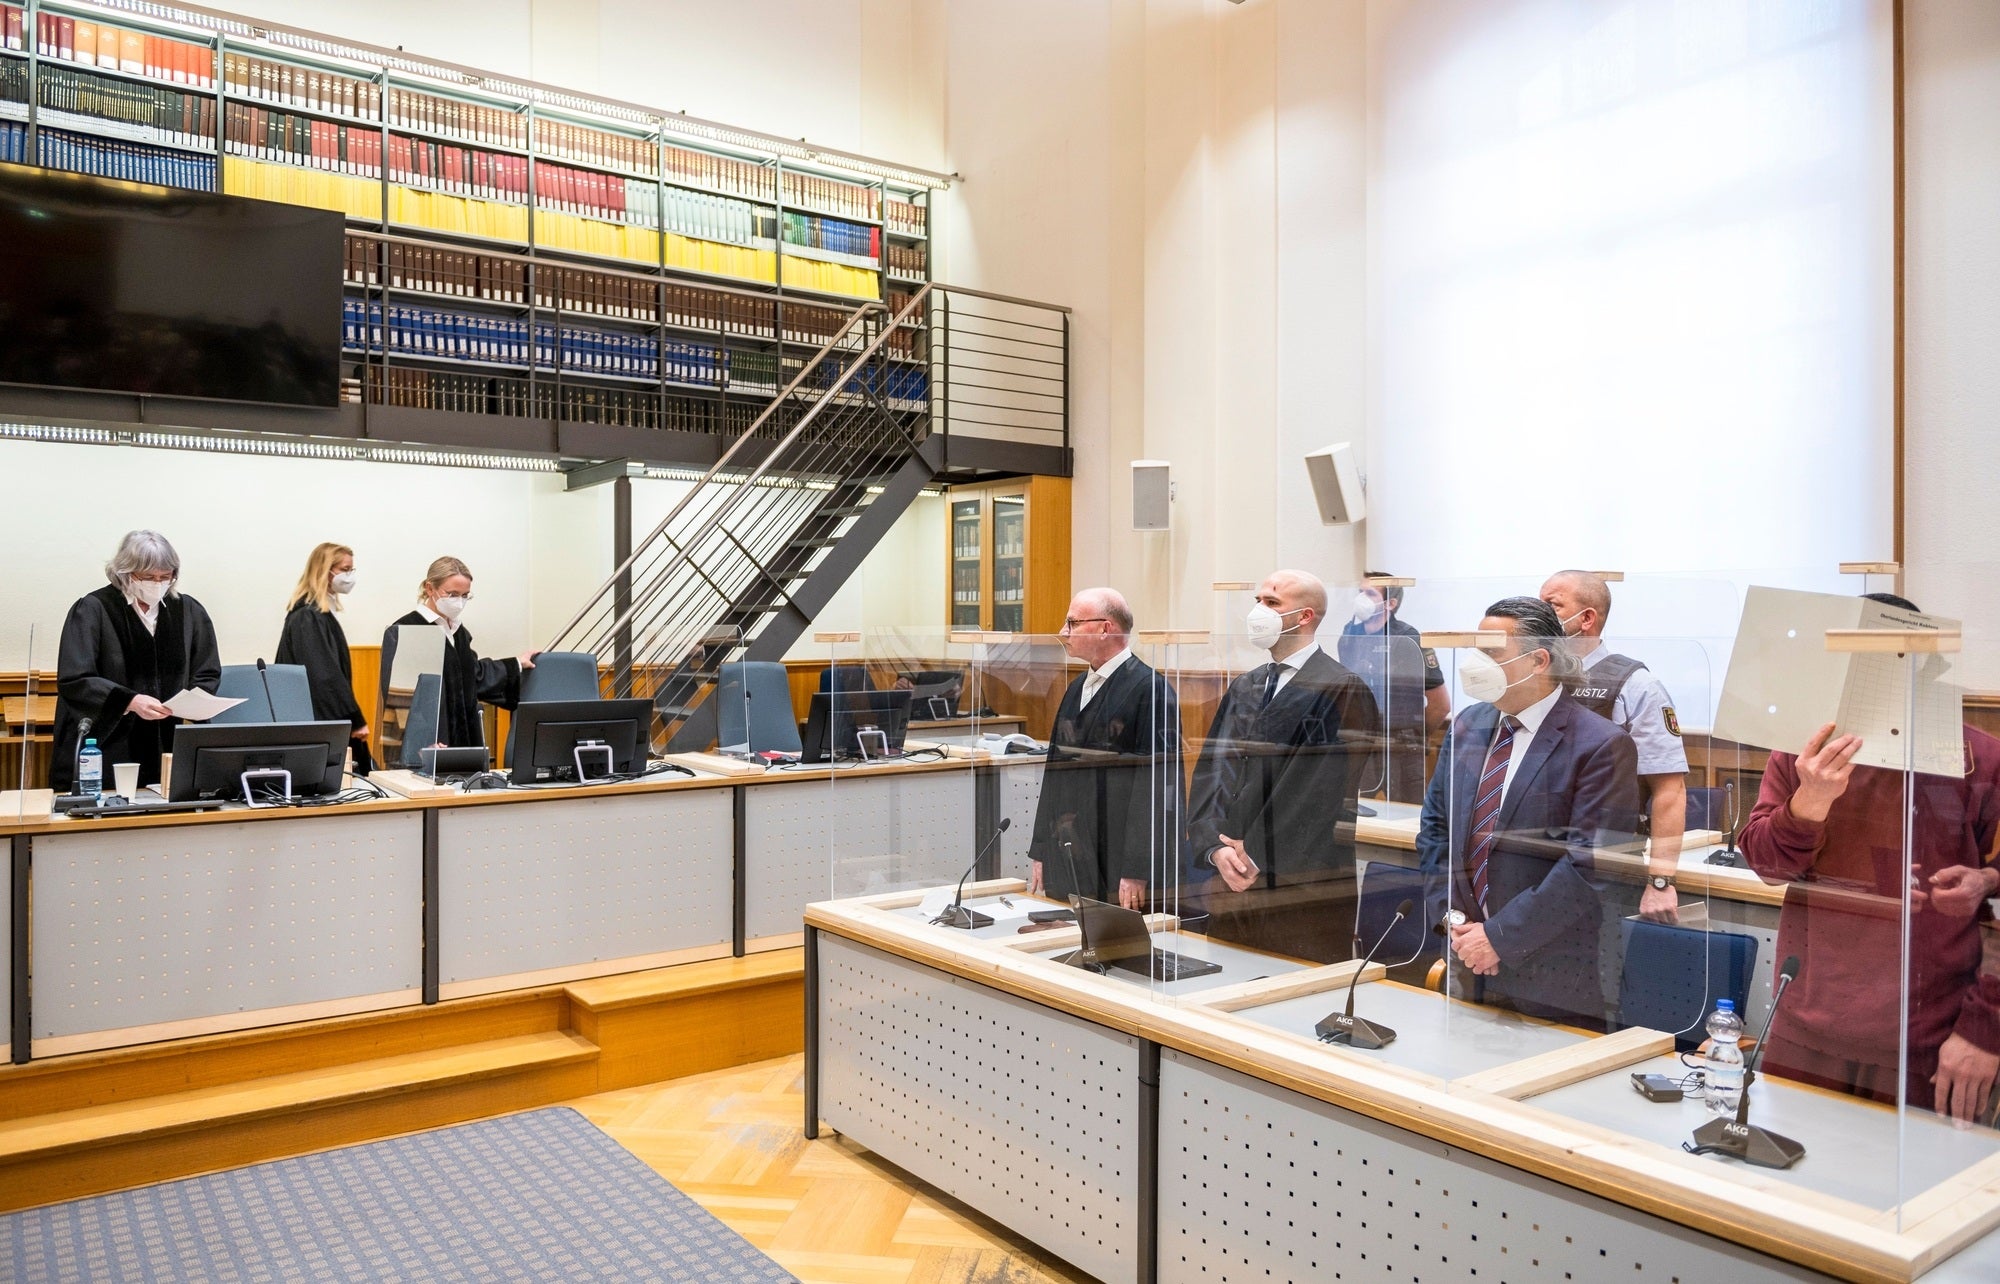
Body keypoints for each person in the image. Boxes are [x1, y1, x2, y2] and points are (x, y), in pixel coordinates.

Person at [1739, 593, 2000, 1121]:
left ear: (1920, 666)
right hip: (1808, 1022)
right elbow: (1767, 867)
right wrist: (1809, 802)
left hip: (1933, 1035)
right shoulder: (1802, 750)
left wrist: (1984, 1028)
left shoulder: (1980, 758)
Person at [1416, 596, 1640, 1028]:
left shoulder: (1599, 744)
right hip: (1464, 959)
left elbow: (1589, 865)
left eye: (1491, 652)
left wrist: (1498, 938)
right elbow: (1435, 831)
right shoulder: (1468, 726)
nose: (1475, 664)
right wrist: (1453, 921)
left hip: (1551, 975)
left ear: (1538, 660)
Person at [1184, 570, 1381, 962]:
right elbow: (1213, 770)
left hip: (1300, 881)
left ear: (1304, 616)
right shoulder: (1246, 685)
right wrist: (1213, 846)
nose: (1259, 610)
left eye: (1272, 602)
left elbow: (1320, 792)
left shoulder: (1341, 686)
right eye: (1258, 600)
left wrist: (1254, 852)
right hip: (1230, 875)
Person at [1538, 570, 1689, 923]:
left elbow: (1669, 790)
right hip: (1536, 851)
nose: (1540, 614)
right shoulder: (1534, 678)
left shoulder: (1636, 686)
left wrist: (1661, 880)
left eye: (1552, 605)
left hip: (1606, 862)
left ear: (1586, 618)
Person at [1027, 587, 1182, 910]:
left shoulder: (1150, 689)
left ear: (1104, 628)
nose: (1063, 632)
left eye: (1073, 623)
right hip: (1069, 849)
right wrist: (1041, 849)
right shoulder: (1075, 688)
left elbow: (1155, 787)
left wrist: (1138, 868)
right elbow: (1054, 772)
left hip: (1117, 856)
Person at [51, 530, 221, 791]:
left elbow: (207, 672)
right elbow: (76, 677)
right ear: (125, 573)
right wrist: (129, 701)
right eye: (148, 577)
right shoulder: (94, 609)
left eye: (166, 577)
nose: (158, 583)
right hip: (112, 746)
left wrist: (190, 703)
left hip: (168, 741)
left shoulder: (188, 610)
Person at [379, 556, 537, 751]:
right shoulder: (406, 630)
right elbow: (398, 696)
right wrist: (420, 741)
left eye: (465, 596)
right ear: (430, 588)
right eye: (452, 594)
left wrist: (516, 664)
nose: (459, 602)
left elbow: (473, 676)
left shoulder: (458, 632)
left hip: (462, 738)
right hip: (428, 744)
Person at [1338, 574, 1449, 802]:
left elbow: (1440, 704)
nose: (1361, 599)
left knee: (1406, 813)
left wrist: (1414, 735)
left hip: (1402, 748)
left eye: (1370, 594)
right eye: (1360, 592)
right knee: (1359, 812)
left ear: (1390, 603)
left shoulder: (1407, 639)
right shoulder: (1350, 637)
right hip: (1362, 744)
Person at [276, 542, 373, 774]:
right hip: (317, 722)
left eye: (351, 570)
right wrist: (354, 719)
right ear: (325, 571)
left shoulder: (317, 614)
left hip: (323, 718)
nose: (350, 576)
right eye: (344, 569)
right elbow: (324, 675)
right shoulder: (308, 617)